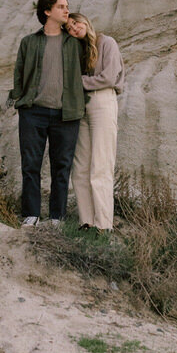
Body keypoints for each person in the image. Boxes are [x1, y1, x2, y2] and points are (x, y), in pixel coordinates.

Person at [8, 0, 86, 226]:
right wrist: (21, 100)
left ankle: (56, 218)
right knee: (30, 164)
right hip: (33, 112)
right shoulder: (29, 42)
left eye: (67, 6)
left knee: (61, 168)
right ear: (47, 11)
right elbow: (19, 75)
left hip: (67, 114)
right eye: (61, 6)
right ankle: (31, 214)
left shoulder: (75, 43)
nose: (66, 10)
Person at [66, 13, 125, 231]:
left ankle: (103, 226)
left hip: (102, 101)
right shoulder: (77, 51)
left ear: (86, 21)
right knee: (80, 167)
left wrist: (76, 81)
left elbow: (108, 77)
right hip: (81, 106)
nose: (74, 29)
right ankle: (86, 222)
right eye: (70, 28)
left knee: (101, 166)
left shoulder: (106, 43)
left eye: (76, 23)